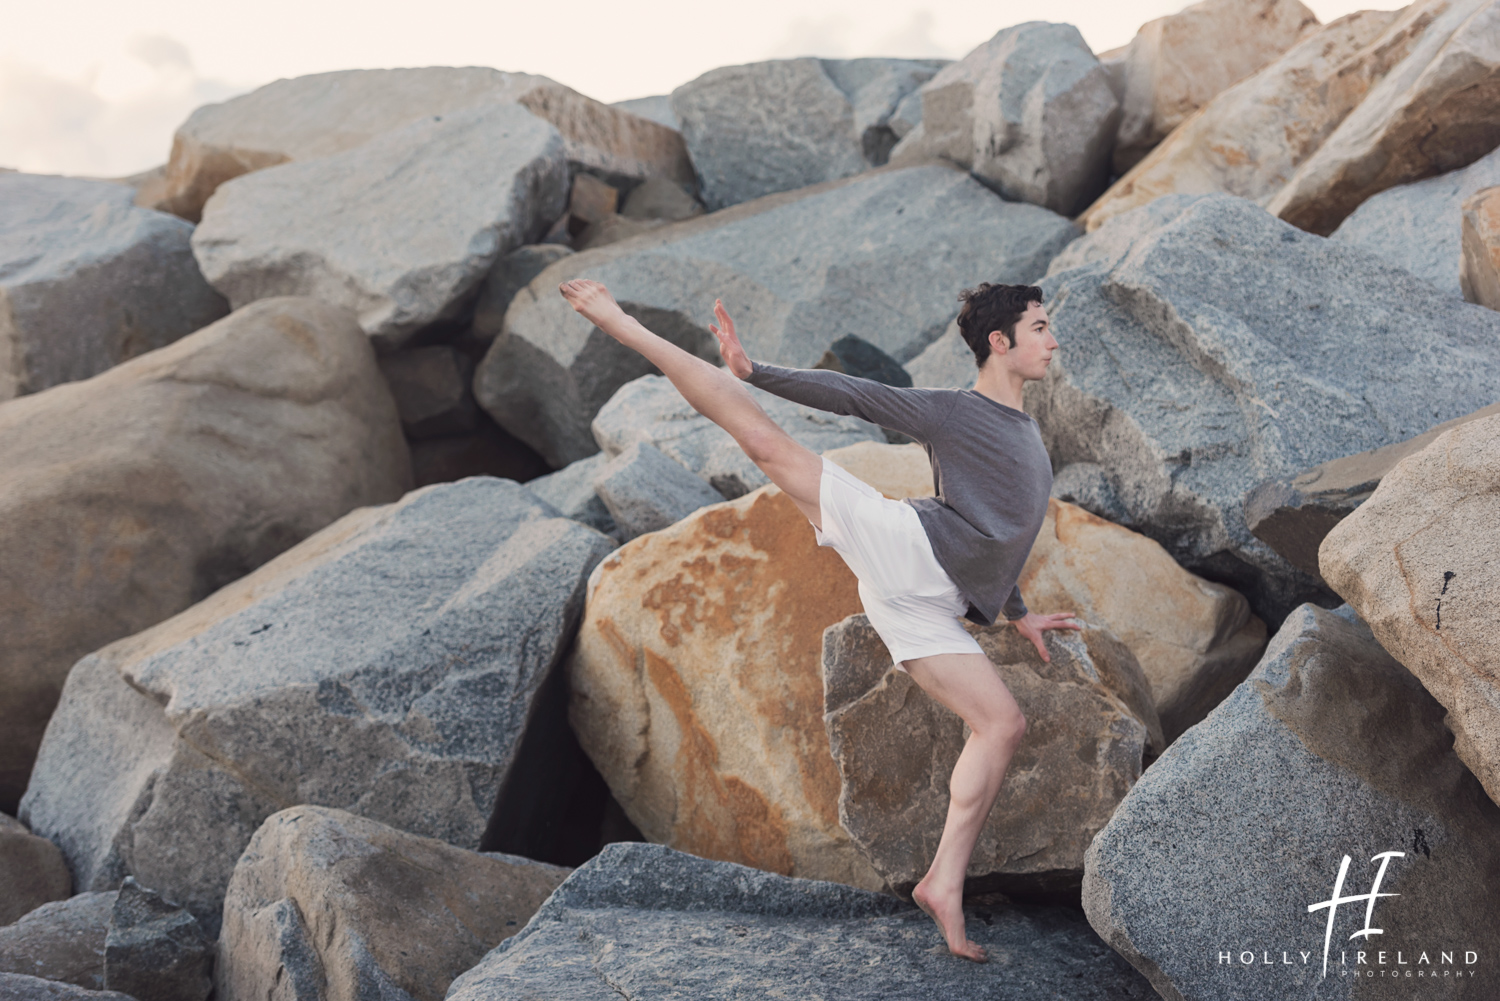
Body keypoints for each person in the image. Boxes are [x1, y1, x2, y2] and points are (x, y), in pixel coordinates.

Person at [557, 277, 1080, 963]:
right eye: (1040, 326)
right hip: (909, 547)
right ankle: (621, 322)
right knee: (763, 442)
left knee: (1001, 724)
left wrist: (1018, 613)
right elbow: (859, 395)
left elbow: (1002, 529)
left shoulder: (1024, 429)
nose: (1053, 339)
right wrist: (754, 370)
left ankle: (941, 883)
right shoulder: (957, 412)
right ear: (999, 341)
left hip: (924, 602)